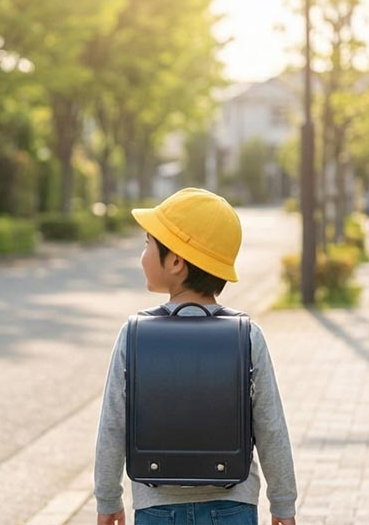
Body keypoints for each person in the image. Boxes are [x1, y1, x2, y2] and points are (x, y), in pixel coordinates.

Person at [94, 188, 298, 525]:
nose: (142, 254)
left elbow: (113, 425)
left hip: (156, 506)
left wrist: (107, 497)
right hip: (233, 504)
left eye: (148, 244)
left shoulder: (135, 335)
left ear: (176, 261)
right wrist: (283, 504)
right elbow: (270, 426)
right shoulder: (246, 336)